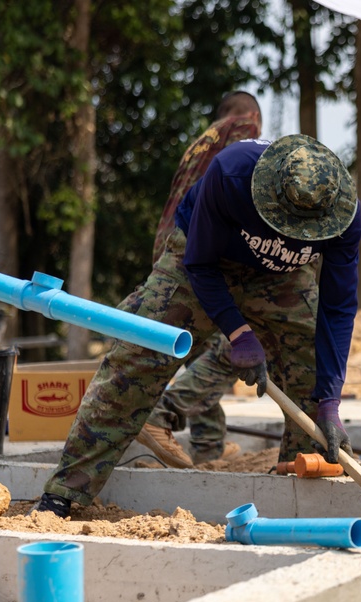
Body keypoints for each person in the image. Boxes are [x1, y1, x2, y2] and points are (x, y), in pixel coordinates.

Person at [31, 134, 361, 518]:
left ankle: (304, 496)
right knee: (138, 355)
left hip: (283, 278)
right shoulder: (233, 173)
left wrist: (331, 400)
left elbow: (337, 309)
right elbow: (200, 265)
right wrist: (238, 332)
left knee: (313, 370)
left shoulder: (344, 216)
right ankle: (65, 493)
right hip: (202, 261)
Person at [138, 91, 263, 467]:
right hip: (200, 251)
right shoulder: (244, 130)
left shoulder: (200, 143)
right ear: (252, 116)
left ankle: (209, 445)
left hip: (172, 250)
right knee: (235, 344)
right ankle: (162, 416)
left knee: (197, 347)